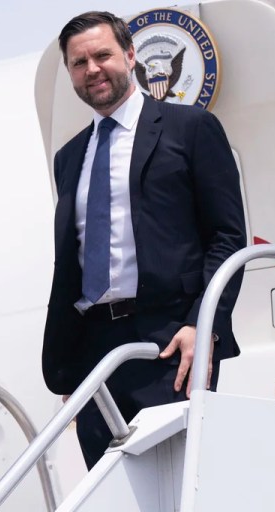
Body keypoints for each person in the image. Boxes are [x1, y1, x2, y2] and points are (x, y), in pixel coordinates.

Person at [42, 11, 246, 469]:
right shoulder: (70, 157)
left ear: (130, 55)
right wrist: (71, 364)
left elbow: (227, 236)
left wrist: (204, 324)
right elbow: (72, 262)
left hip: (169, 343)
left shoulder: (189, 129)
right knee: (113, 492)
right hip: (95, 354)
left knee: (178, 484)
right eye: (79, 62)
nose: (92, 69)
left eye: (102, 55)